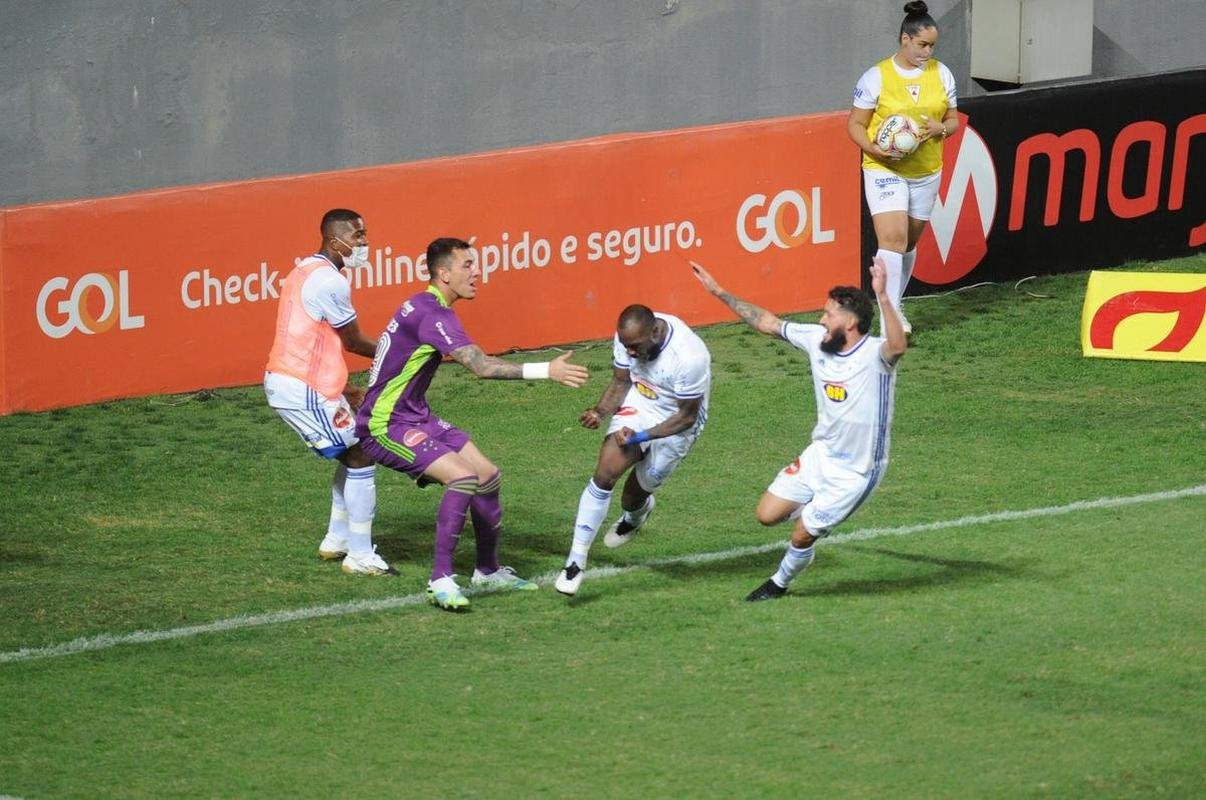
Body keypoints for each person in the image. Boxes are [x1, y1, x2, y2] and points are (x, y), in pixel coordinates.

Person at [355, 237, 589, 610]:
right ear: (443, 273)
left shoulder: (424, 304)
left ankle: (487, 569)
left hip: (416, 415)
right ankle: (440, 580)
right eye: (467, 265)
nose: (477, 272)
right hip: (384, 425)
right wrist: (549, 370)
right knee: (463, 478)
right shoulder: (433, 315)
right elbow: (480, 367)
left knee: (488, 476)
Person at [689, 257, 907, 601]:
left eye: (829, 314)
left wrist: (882, 295)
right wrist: (718, 292)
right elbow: (767, 323)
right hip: (820, 455)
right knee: (766, 515)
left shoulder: (875, 356)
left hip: (856, 472)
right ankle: (814, 515)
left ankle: (778, 584)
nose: (821, 319)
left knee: (802, 534)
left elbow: (898, 346)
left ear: (850, 322)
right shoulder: (815, 339)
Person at [264, 208, 396, 576]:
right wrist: (407, 353)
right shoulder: (330, 282)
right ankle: (359, 554)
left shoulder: (304, 270)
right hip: (300, 388)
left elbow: (314, 340)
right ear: (334, 240)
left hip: (303, 383)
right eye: (358, 237)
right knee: (360, 454)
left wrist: (344, 387)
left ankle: (337, 542)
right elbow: (352, 341)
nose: (365, 243)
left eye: (365, 235)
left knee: (354, 450)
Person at [554, 304, 711, 596]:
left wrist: (639, 436)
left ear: (655, 331)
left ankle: (635, 517)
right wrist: (601, 412)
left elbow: (686, 416)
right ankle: (575, 562)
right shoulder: (628, 339)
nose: (631, 354)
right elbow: (621, 380)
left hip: (677, 421)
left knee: (633, 496)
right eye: (627, 347)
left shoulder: (689, 357)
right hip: (641, 402)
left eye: (636, 347)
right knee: (605, 472)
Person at [847, 0, 958, 333]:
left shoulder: (942, 74)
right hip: (885, 169)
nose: (928, 51)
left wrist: (942, 129)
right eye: (922, 44)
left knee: (908, 244)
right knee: (892, 241)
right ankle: (890, 318)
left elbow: (951, 120)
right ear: (905, 39)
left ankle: (896, 303)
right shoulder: (876, 77)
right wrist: (874, 148)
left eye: (932, 45)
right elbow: (854, 124)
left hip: (926, 172)